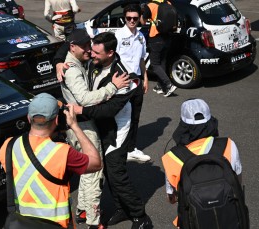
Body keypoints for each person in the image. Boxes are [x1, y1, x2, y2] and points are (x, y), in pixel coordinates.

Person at [72, 32, 152, 229]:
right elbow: (68, 46)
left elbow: (108, 110)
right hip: (100, 127)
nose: (92, 55)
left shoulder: (124, 78)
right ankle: (121, 209)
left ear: (110, 53)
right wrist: (59, 62)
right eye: (92, 50)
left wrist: (81, 110)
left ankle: (140, 216)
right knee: (108, 173)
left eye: (97, 53)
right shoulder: (94, 62)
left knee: (117, 175)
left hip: (117, 132)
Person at [0, 93, 102, 229]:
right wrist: (75, 126)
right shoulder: (63, 152)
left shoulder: (8, 146)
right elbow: (95, 163)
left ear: (29, 118)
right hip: (55, 225)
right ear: (57, 120)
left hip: (21, 223)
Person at [62, 29, 130, 228]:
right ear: (72, 47)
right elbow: (84, 99)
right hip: (82, 125)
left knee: (86, 169)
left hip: (78, 124)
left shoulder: (71, 62)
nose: (88, 51)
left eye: (89, 46)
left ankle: (83, 211)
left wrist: (58, 61)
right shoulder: (73, 69)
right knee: (94, 170)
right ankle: (93, 220)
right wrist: (113, 87)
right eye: (84, 47)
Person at [161, 98, 242, 227]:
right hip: (228, 218)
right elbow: (237, 181)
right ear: (211, 122)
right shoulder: (228, 145)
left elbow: (171, 198)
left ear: (183, 125)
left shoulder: (172, 157)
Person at [115, 4, 151, 162]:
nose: (132, 21)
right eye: (129, 18)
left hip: (137, 80)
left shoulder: (141, 36)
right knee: (122, 117)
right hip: (123, 82)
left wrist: (145, 77)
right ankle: (118, 149)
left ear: (139, 19)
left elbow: (142, 59)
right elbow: (112, 59)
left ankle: (131, 149)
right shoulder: (118, 35)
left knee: (135, 116)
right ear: (124, 18)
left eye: (135, 18)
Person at [142, 0, 177, 97]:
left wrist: (143, 12)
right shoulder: (168, 3)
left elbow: (142, 21)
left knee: (155, 64)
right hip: (167, 37)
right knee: (162, 62)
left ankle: (168, 84)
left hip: (156, 37)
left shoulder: (151, 5)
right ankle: (160, 86)